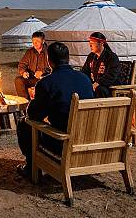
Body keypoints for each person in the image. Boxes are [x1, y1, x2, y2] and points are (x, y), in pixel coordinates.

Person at [16, 42, 94, 178]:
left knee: (24, 124)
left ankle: (31, 167)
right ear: (68, 58)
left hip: (63, 143)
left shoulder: (47, 82)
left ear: (49, 60)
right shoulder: (85, 79)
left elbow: (33, 115)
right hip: (89, 139)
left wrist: (35, 99)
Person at [81, 32, 120, 97]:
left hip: (108, 86)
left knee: (99, 89)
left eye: (92, 44)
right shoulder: (91, 56)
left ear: (101, 43)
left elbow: (111, 75)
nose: (90, 46)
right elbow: (85, 71)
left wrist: (97, 83)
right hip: (94, 84)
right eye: (90, 44)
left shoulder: (112, 57)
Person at [15, 31, 51, 100]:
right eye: (33, 41)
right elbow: (22, 64)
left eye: (37, 41)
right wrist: (23, 72)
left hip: (45, 78)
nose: (35, 43)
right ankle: (25, 103)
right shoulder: (30, 52)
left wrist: (42, 72)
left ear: (43, 41)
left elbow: (54, 67)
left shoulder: (49, 52)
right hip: (32, 78)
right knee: (18, 80)